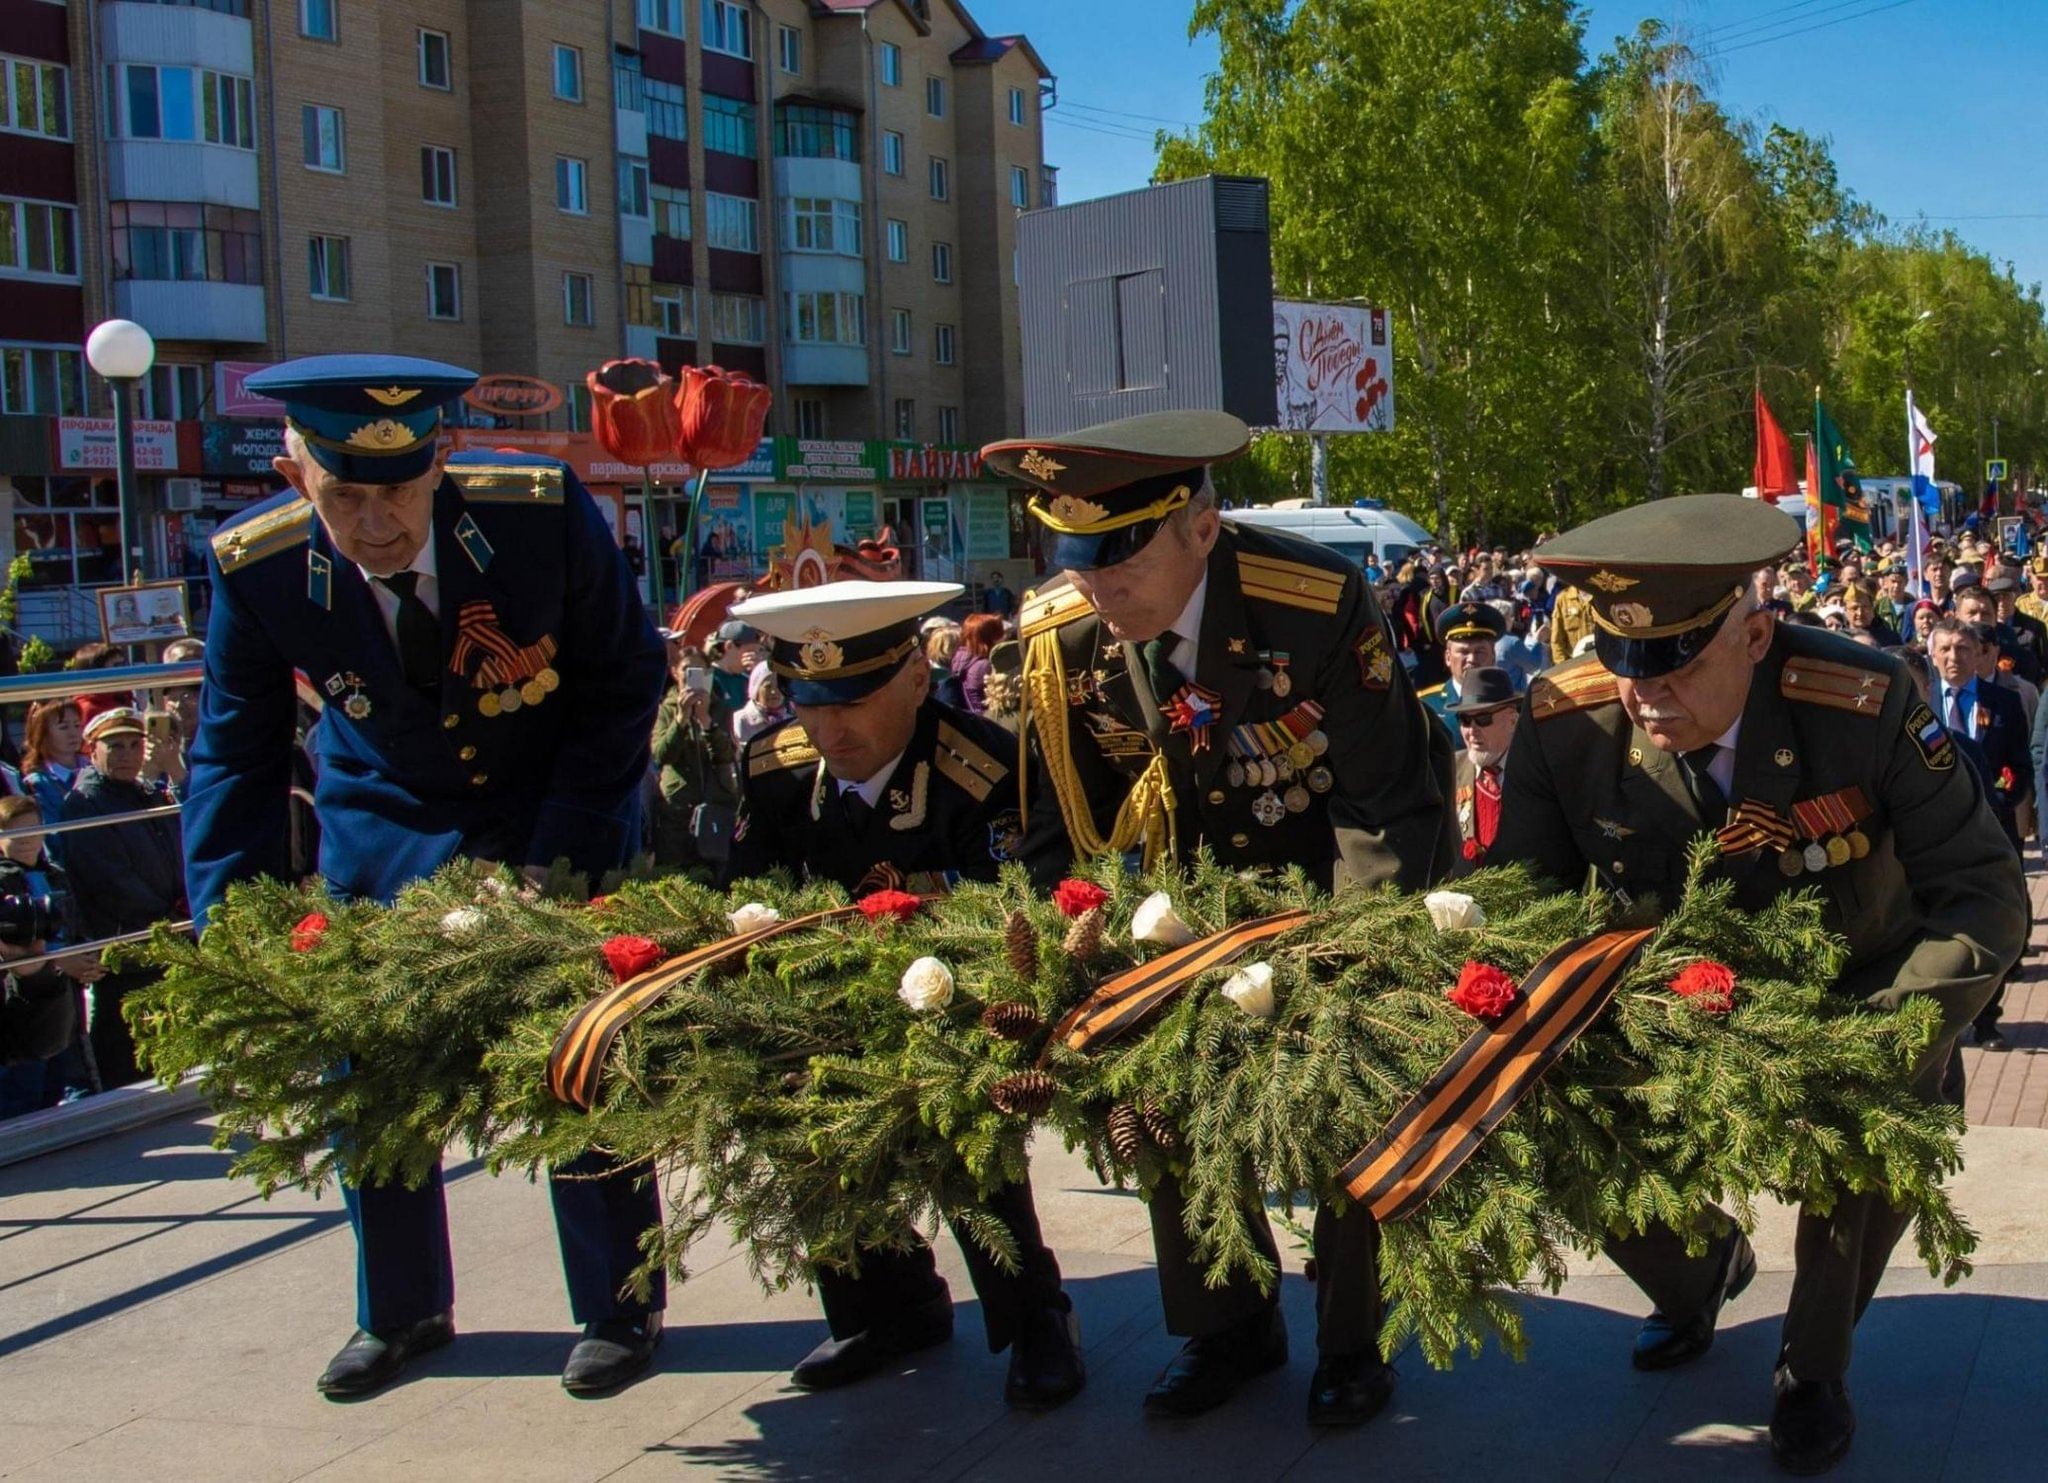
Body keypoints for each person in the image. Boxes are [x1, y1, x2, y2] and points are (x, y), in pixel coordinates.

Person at [1491, 494, 2027, 1476]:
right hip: (1661, 1006)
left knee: (1870, 1121)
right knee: (1533, 1090)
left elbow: (1983, 896)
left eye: (1677, 666)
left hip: (1850, 995)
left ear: (1752, 633)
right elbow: (1519, 901)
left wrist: (1884, 1032)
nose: (1642, 696)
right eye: (1621, 664)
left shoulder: (1858, 701)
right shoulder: (1565, 719)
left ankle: (1809, 1368)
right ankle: (1697, 1272)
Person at [182, 355, 668, 1400]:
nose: (375, 524)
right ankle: (400, 1310)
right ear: (291, 470)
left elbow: (626, 675)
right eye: (344, 494)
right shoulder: (256, 567)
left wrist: (566, 846)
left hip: (555, 808)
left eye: (398, 492)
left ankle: (620, 1303)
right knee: (372, 1078)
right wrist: (236, 933)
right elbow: (235, 754)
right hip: (387, 832)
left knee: (576, 1060)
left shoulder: (535, 516)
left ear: (439, 462)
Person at [987, 410, 1456, 1428]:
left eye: (1118, 560)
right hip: (1182, 893)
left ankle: (1348, 1337)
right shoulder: (1064, 633)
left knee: (1340, 1091)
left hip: (1332, 868)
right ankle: (1228, 1326)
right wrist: (1064, 960)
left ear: (1199, 528)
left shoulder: (1313, 602)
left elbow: (1382, 800)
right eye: (1074, 560)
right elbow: (1057, 825)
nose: (1094, 588)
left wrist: (1348, 964)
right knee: (1163, 1080)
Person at [724, 579, 1084, 1411]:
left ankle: (1035, 1316)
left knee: (967, 1132)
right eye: (810, 702)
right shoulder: (775, 769)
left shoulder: (981, 770)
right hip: (821, 999)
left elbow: (1011, 924)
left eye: (853, 700)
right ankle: (885, 1304)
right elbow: (740, 902)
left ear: (917, 681)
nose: (829, 728)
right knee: (794, 1105)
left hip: (950, 1003)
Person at [58, 708, 184, 1090]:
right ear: (92, 749)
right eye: (115, 746)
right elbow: (110, 880)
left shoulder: (145, 793)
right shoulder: (83, 804)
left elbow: (179, 844)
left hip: (163, 935)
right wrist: (165, 913)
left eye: (134, 744)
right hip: (126, 943)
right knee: (125, 1055)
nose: (127, 754)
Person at [0, 794, 104, 1117]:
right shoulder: (4, 880)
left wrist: (88, 955)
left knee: (59, 1077)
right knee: (23, 1087)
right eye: (16, 832)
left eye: (34, 830)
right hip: (22, 997)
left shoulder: (56, 874)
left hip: (65, 993)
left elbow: (77, 922)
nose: (27, 839)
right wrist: (57, 962)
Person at [648, 651, 738, 872]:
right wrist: (681, 720)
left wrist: (706, 721)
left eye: (699, 671)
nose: (692, 676)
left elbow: (726, 755)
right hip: (678, 806)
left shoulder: (720, 707)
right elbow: (661, 754)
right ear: (675, 673)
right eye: (686, 670)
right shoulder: (665, 710)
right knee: (676, 871)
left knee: (717, 870)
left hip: (716, 803)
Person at [1446, 667, 1519, 872]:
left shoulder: (1533, 771)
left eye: (1483, 719)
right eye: (1465, 720)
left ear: (1512, 721)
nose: (1471, 731)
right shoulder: (1449, 770)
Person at [1419, 599, 1512, 734]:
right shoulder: (1427, 705)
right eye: (1463, 652)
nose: (1472, 659)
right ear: (1448, 657)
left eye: (1480, 652)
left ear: (1493, 656)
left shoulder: (1508, 703)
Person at [20, 701, 86, 858]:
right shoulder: (37, 784)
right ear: (41, 733)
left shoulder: (96, 768)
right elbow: (54, 839)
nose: (73, 733)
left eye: (77, 725)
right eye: (63, 727)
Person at [731, 661, 790, 745]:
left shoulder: (791, 721)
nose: (774, 692)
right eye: (767, 687)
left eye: (779, 686)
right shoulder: (740, 720)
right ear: (756, 690)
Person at [956, 613, 1004, 715]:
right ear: (989, 638)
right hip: (989, 721)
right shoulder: (984, 666)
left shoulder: (965, 660)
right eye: (999, 635)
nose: (1003, 638)